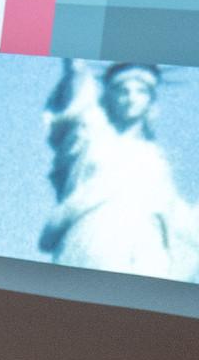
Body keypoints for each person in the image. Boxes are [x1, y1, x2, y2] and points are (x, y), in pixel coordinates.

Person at [39, 60, 199, 279]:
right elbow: (76, 105)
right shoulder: (91, 138)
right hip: (93, 238)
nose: (131, 97)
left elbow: (175, 213)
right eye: (122, 91)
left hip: (146, 250)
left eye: (140, 91)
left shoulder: (155, 159)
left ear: (150, 100)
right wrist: (75, 68)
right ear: (110, 97)